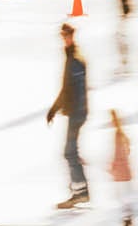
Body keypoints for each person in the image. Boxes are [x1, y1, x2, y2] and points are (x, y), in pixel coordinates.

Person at [44, 22, 90, 209]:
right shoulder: (71, 57)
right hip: (75, 112)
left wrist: (56, 109)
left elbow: (72, 90)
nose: (64, 38)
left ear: (72, 35)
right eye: (62, 36)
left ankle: (80, 192)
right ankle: (79, 190)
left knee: (69, 152)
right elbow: (67, 90)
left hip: (77, 113)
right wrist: (56, 109)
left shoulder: (75, 60)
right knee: (71, 152)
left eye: (67, 35)